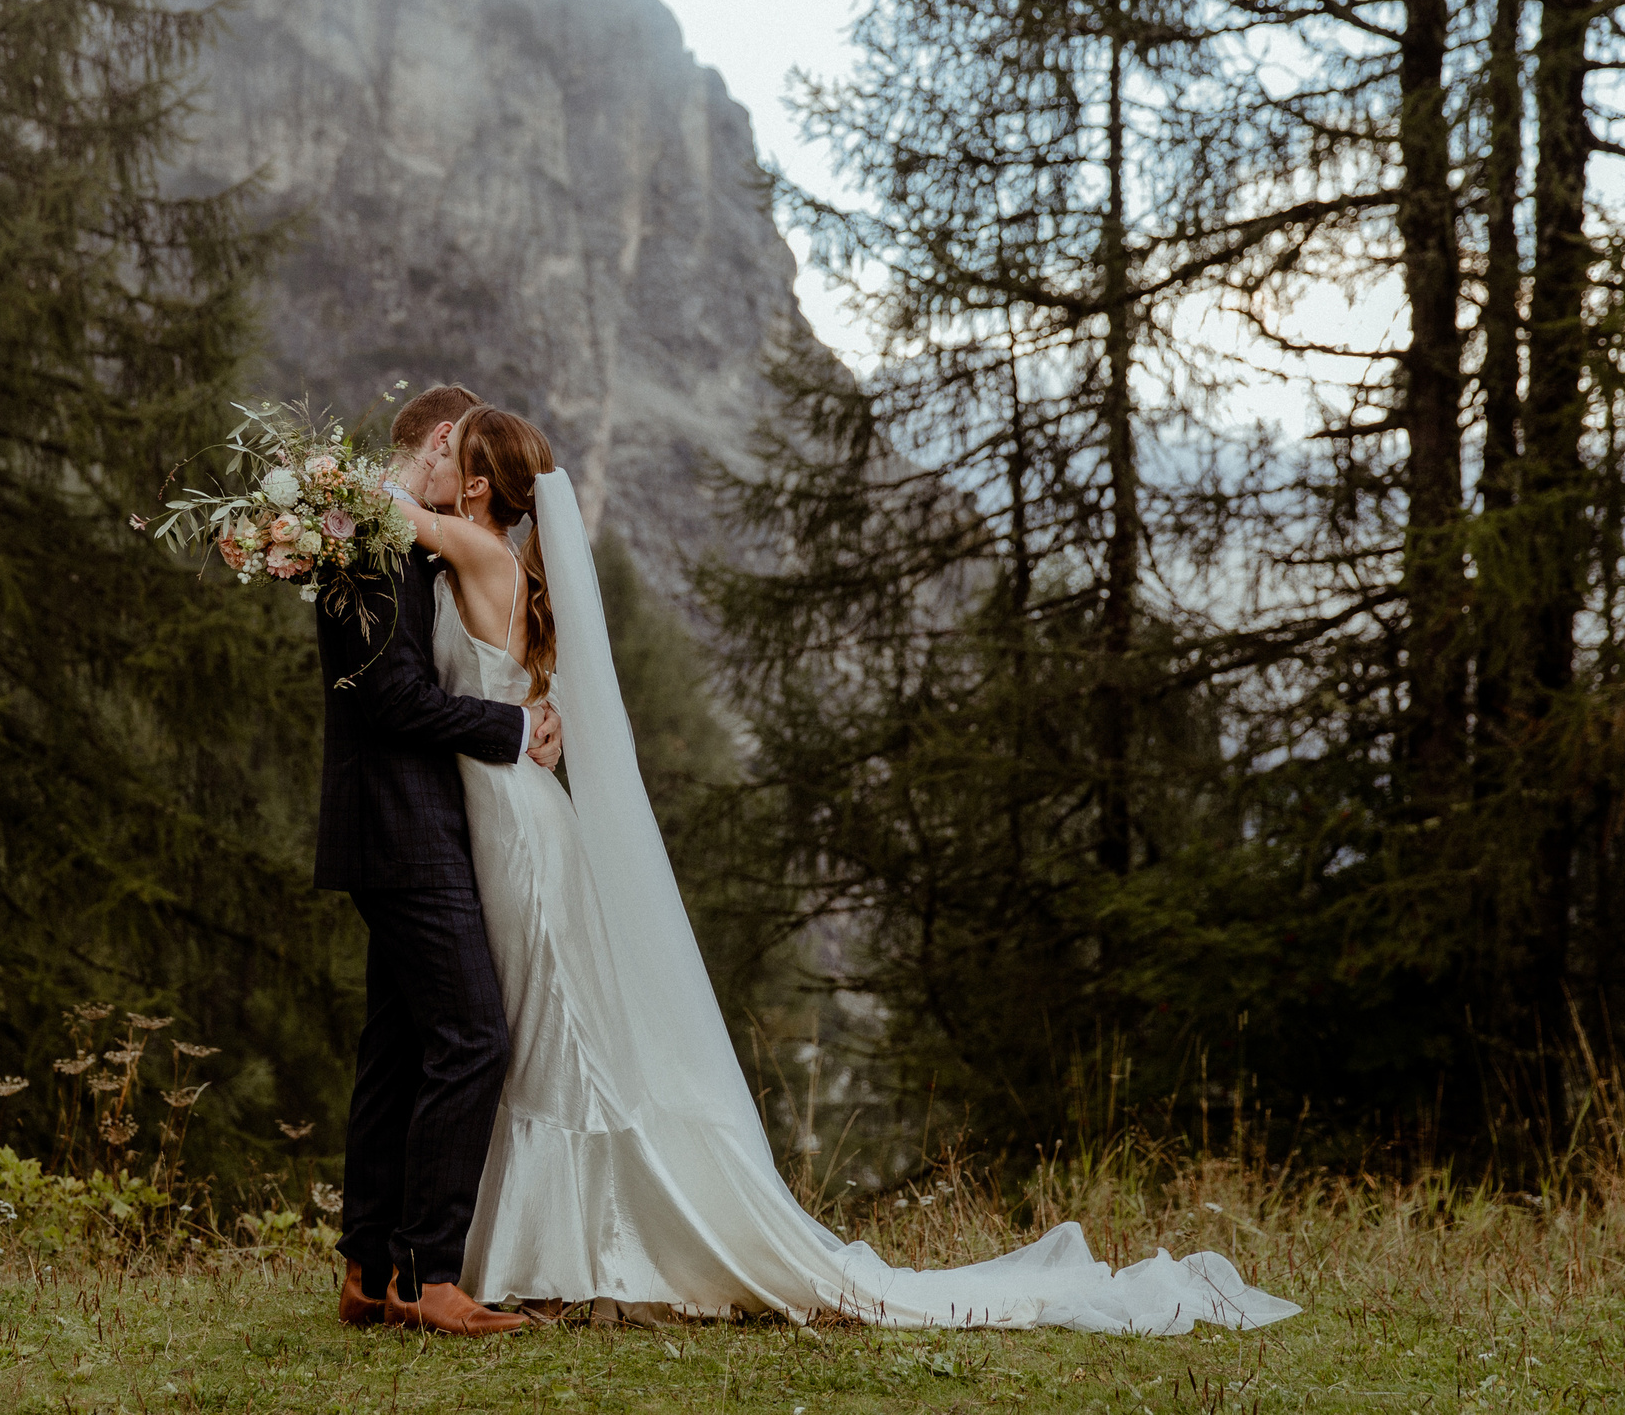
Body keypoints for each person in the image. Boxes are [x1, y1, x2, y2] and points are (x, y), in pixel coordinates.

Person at [404, 402, 1302, 1334]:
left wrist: (307, 496)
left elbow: (393, 516)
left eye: (449, 455)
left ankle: (563, 1256)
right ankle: (549, 1252)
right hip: (513, 812)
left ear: (475, 485)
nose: (434, 464)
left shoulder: (479, 552)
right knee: (543, 1025)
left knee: (553, 1032)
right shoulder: (501, 560)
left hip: (519, 830)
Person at [314, 383, 562, 1337]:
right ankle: (432, 1277)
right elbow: (393, 701)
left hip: (401, 825)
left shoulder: (380, 532)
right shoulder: (374, 537)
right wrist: (511, 724)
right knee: (474, 1039)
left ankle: (370, 1267)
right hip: (408, 828)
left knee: (399, 1047)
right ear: (449, 442)